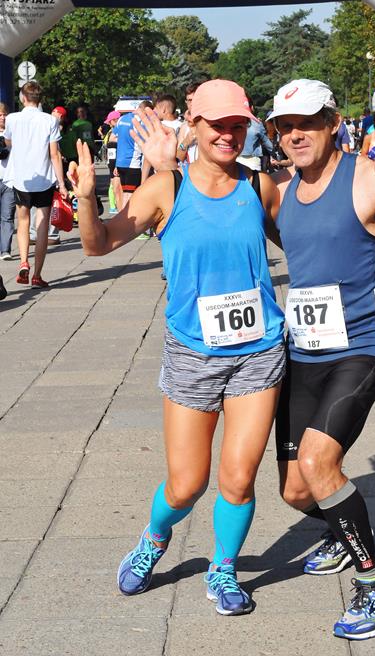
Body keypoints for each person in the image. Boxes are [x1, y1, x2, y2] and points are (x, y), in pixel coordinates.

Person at [68, 79, 286, 616]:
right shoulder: (167, 187)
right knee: (187, 485)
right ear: (194, 126)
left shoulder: (259, 186)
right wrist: (86, 197)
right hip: (192, 353)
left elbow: (307, 240)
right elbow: (97, 245)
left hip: (259, 351)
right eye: (217, 125)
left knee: (238, 479)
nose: (228, 135)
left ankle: (223, 568)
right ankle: (154, 538)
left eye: (237, 125)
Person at [266, 78, 375, 641]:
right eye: (285, 127)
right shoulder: (283, 189)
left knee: (319, 462)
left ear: (333, 123)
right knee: (296, 490)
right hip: (304, 349)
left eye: (307, 123)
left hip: (364, 344)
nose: (295, 135)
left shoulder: (367, 178)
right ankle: (344, 532)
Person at [3, 82, 67, 288]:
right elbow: (54, 154)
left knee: (22, 221)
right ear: (40, 99)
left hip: (21, 179)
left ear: (23, 98)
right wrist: (62, 184)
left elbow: (8, 143)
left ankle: (24, 262)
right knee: (42, 227)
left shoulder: (12, 119)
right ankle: (37, 276)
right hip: (44, 180)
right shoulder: (50, 120)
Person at [109, 100, 153, 207]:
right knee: (130, 196)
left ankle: (123, 215)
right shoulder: (140, 121)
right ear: (146, 110)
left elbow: (112, 138)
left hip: (120, 163)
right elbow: (145, 143)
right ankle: (126, 217)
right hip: (133, 163)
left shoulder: (122, 119)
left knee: (125, 194)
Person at [0, 102, 16, 261]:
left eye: (4, 114)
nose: (2, 117)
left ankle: (5, 249)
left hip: (10, 180)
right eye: (0, 115)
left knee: (7, 216)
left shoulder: (13, 134)